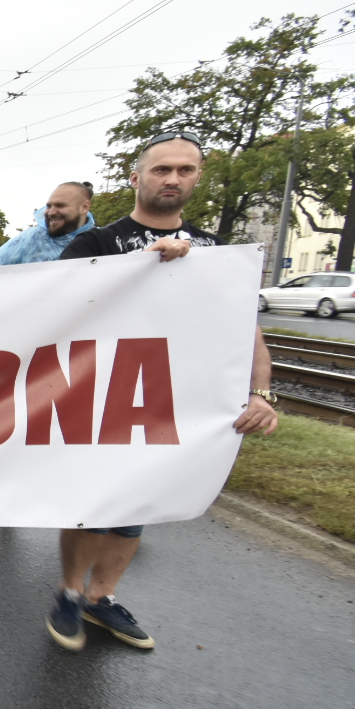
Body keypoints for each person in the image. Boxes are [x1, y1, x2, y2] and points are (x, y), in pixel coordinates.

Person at [46, 131, 278, 651]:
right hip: (104, 398)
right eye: (161, 170)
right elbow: (59, 307)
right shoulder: (96, 244)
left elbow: (247, 332)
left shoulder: (218, 255)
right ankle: (68, 591)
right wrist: (140, 269)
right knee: (93, 500)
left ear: (197, 177)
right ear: (136, 178)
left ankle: (100, 599)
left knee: (140, 503)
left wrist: (263, 394)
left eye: (184, 170)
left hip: (175, 403)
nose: (172, 179)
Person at [0, 182, 96, 267]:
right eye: (49, 206)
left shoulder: (99, 242)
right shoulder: (30, 239)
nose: (51, 212)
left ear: (84, 207)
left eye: (61, 205)